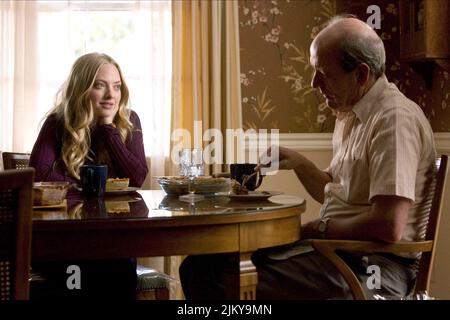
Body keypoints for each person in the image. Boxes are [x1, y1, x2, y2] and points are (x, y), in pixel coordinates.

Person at [179, 16, 437, 300]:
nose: (314, 83)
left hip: (374, 268)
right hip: (338, 253)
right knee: (200, 264)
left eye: (323, 73)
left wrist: (320, 228)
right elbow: (336, 192)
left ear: (361, 75)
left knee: (213, 275)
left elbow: (389, 224)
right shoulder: (352, 113)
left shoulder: (394, 120)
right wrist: (298, 162)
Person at [29, 52, 149, 299]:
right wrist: (91, 185)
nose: (111, 95)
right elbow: (39, 175)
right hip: (62, 239)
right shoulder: (57, 123)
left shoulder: (129, 120)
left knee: (119, 267)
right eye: (99, 86)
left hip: (110, 237)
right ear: (82, 89)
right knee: (92, 274)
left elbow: (137, 177)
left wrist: (108, 128)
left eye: (116, 87)